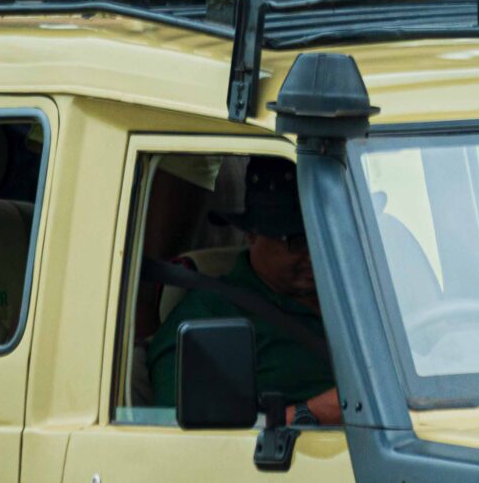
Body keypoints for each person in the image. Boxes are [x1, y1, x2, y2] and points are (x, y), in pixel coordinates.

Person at [145, 161, 340, 425]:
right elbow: (184, 440)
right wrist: (312, 414)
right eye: (299, 241)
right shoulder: (208, 316)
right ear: (252, 235)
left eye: (328, 236)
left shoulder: (360, 295)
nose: (317, 254)